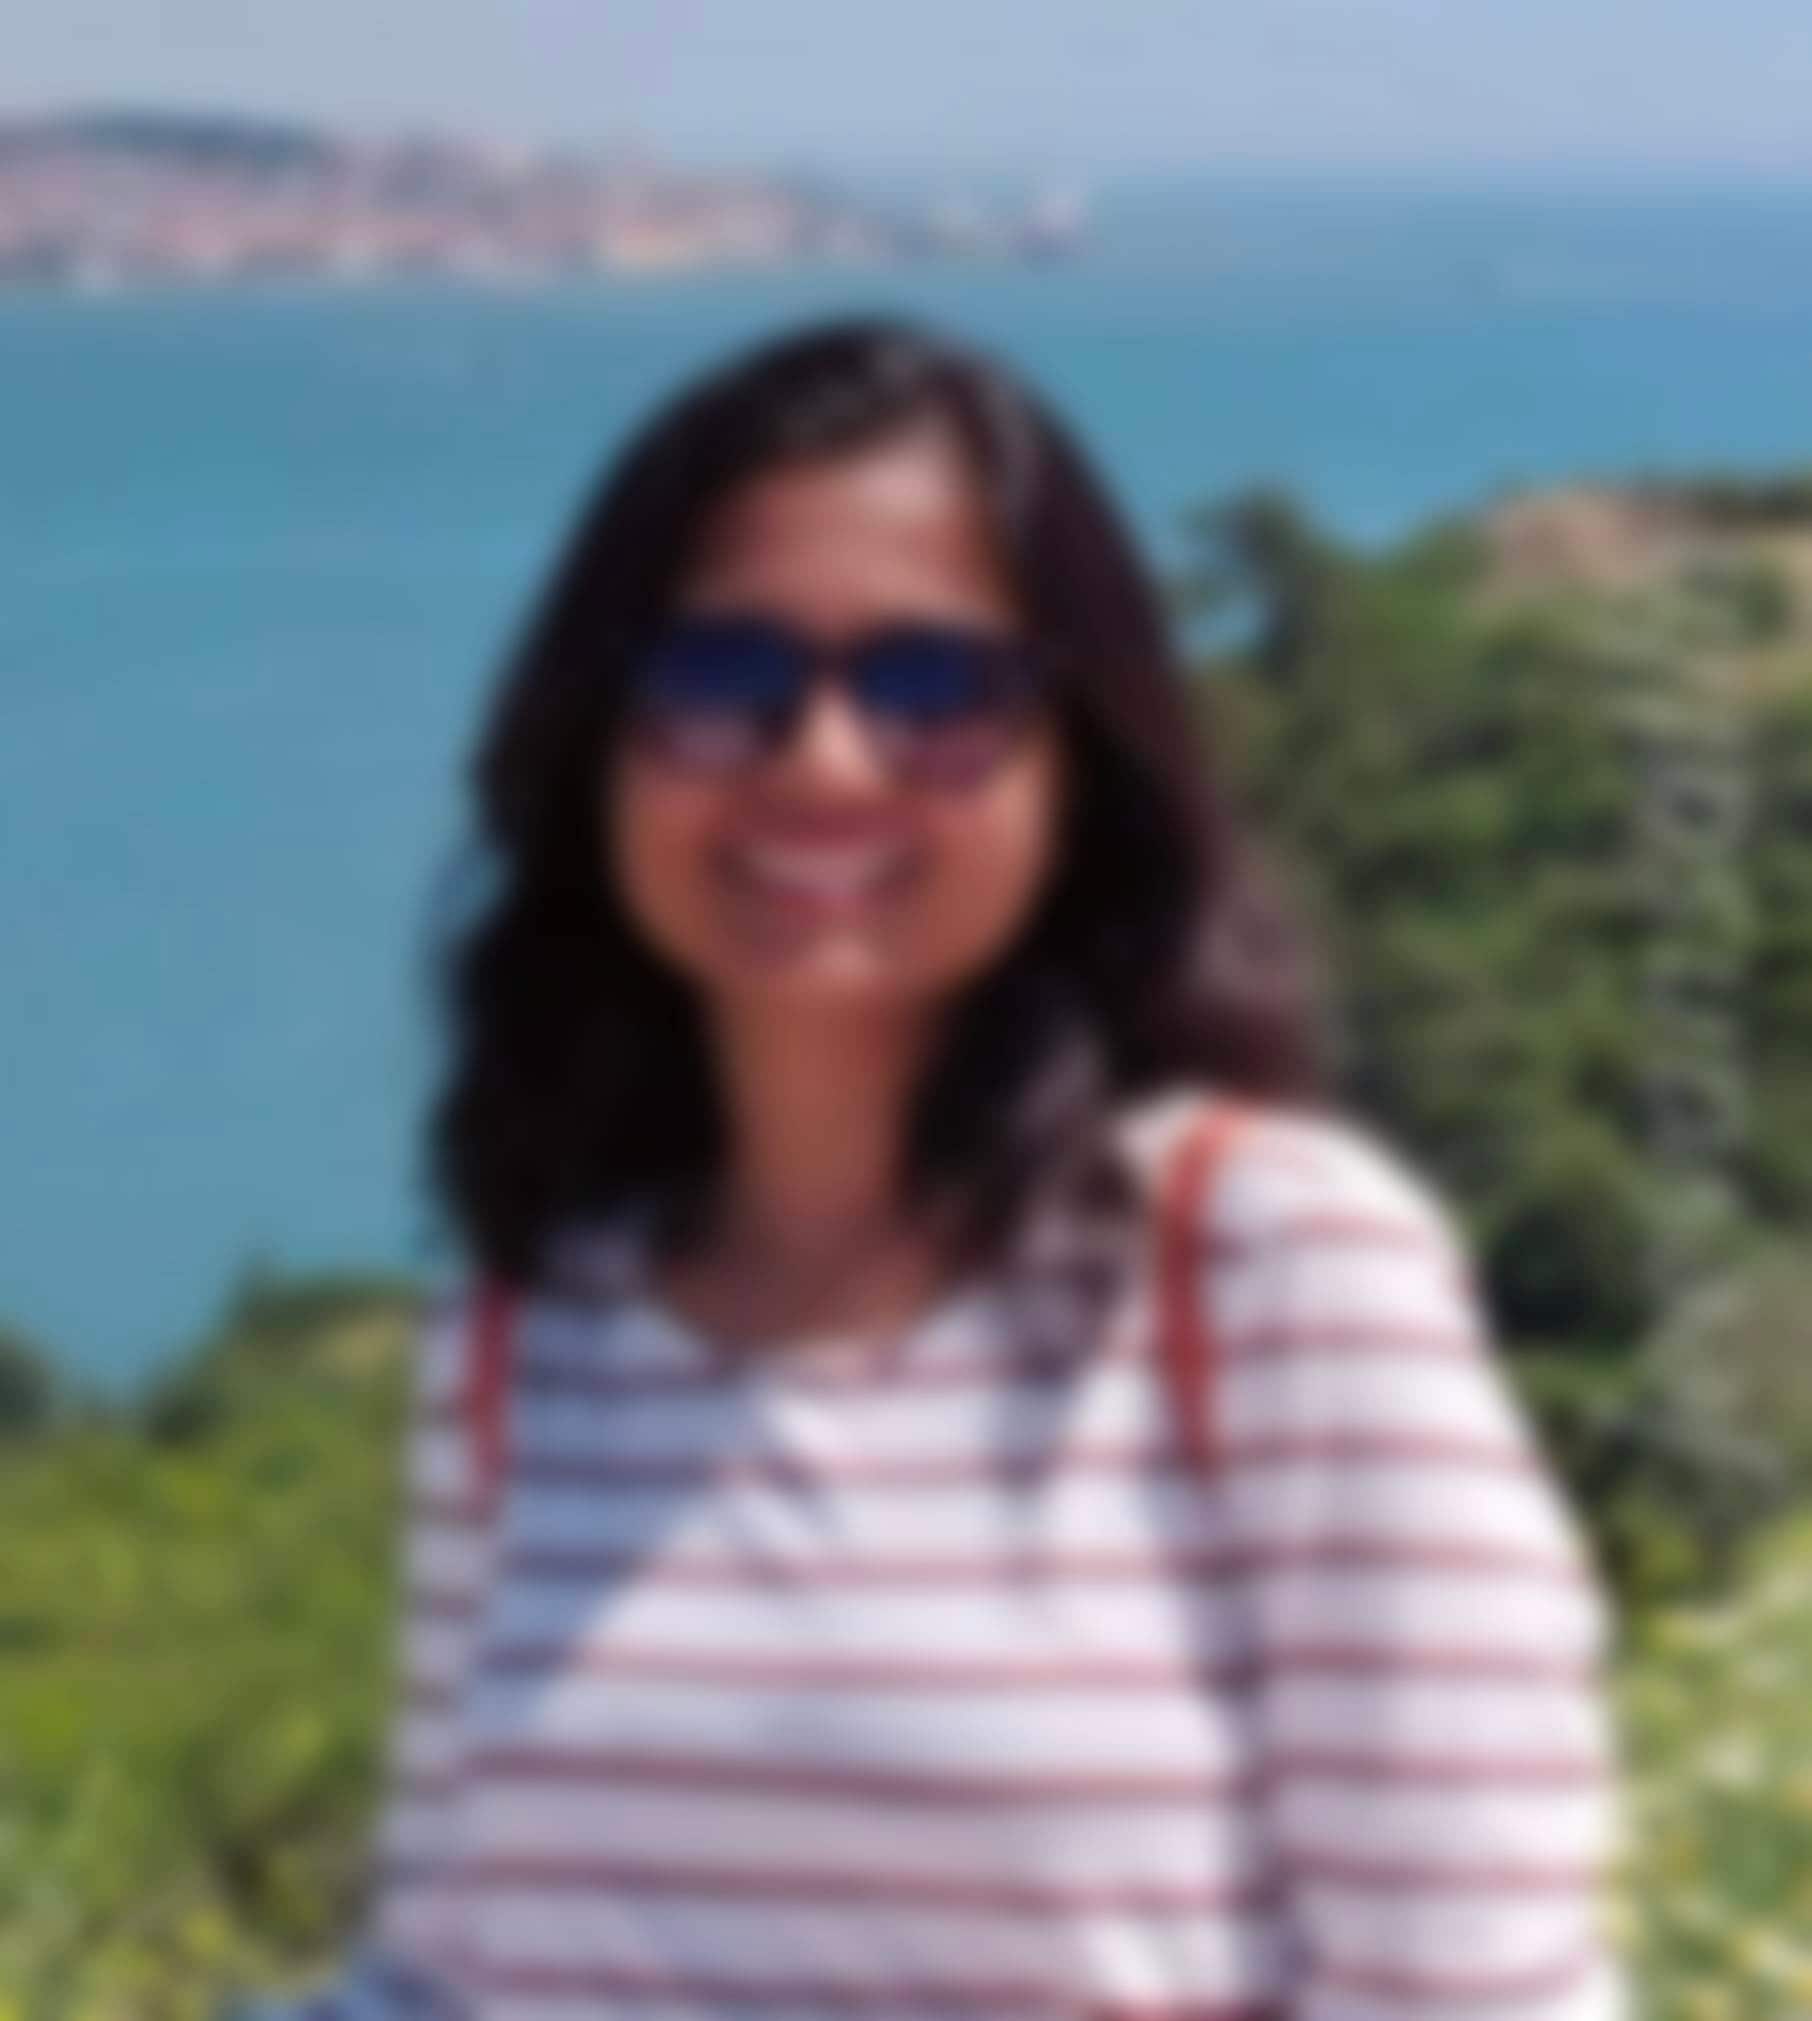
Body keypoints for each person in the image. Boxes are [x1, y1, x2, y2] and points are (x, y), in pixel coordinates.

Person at [239, 315, 1628, 2020]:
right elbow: (441, 1976)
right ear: (598, 740)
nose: (823, 760)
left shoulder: (1269, 1268)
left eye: (934, 689)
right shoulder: (530, 1328)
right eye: (717, 678)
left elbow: (1475, 1990)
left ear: (1078, 766)